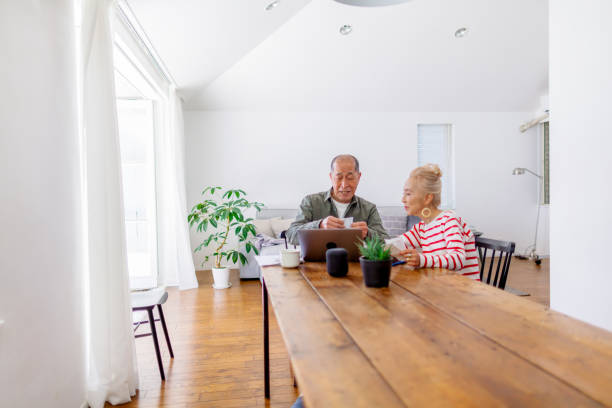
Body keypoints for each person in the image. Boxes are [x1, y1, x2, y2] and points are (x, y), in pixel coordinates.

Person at [391, 163, 480, 279]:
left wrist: (421, 259)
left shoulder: (449, 220)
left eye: (408, 194)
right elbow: (396, 244)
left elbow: (458, 259)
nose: (403, 199)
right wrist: (368, 247)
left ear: (428, 197)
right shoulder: (422, 227)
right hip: (442, 287)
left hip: (464, 292)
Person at [286, 154, 389, 245]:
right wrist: (319, 225)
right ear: (331, 177)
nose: (344, 185)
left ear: (358, 177)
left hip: (355, 264)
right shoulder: (311, 202)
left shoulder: (369, 208)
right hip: (317, 263)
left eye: (350, 178)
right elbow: (291, 235)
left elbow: (386, 241)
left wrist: (367, 233)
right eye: (339, 178)